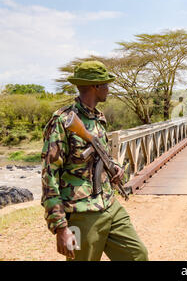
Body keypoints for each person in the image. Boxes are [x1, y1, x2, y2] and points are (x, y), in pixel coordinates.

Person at [41, 60, 148, 261]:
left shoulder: (99, 118)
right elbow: (49, 178)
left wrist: (113, 167)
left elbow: (101, 155)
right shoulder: (62, 121)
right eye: (106, 84)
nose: (109, 88)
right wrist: (60, 227)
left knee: (138, 255)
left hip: (109, 203)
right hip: (81, 212)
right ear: (95, 86)